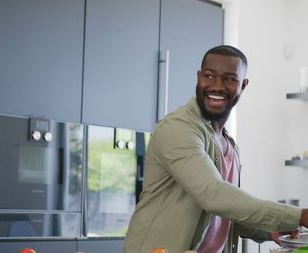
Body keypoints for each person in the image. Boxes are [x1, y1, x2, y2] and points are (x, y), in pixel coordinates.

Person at [123, 45, 308, 253]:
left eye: (229, 79)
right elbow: (212, 194)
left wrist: (270, 231)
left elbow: (225, 213)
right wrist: (299, 215)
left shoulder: (229, 145)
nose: (217, 86)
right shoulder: (178, 128)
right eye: (209, 76)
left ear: (243, 85)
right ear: (198, 77)